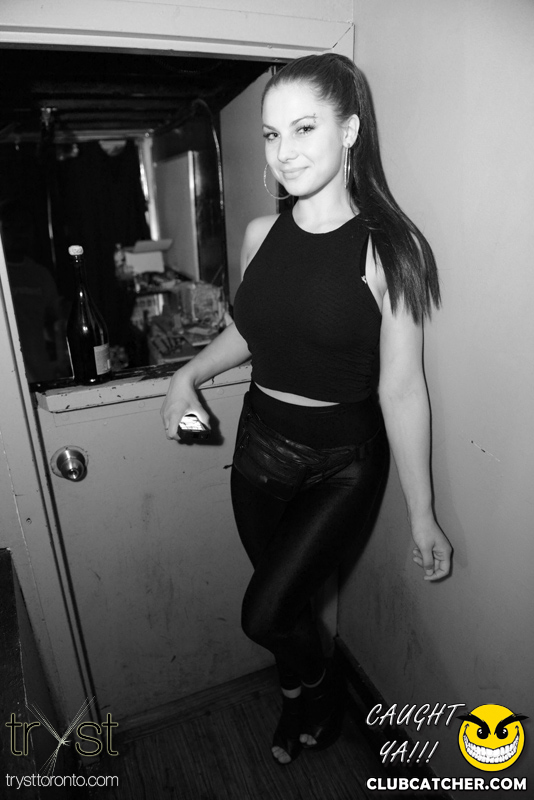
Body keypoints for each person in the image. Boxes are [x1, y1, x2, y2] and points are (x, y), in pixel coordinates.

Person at [161, 53, 452, 765]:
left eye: (304, 128)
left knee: (263, 613)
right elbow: (251, 331)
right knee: (286, 609)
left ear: (349, 130)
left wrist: (422, 514)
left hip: (341, 468)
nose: (283, 152)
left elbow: (402, 389)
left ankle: (318, 693)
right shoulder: (262, 234)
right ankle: (298, 698)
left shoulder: (393, 249)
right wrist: (187, 374)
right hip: (260, 451)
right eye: (271, 134)